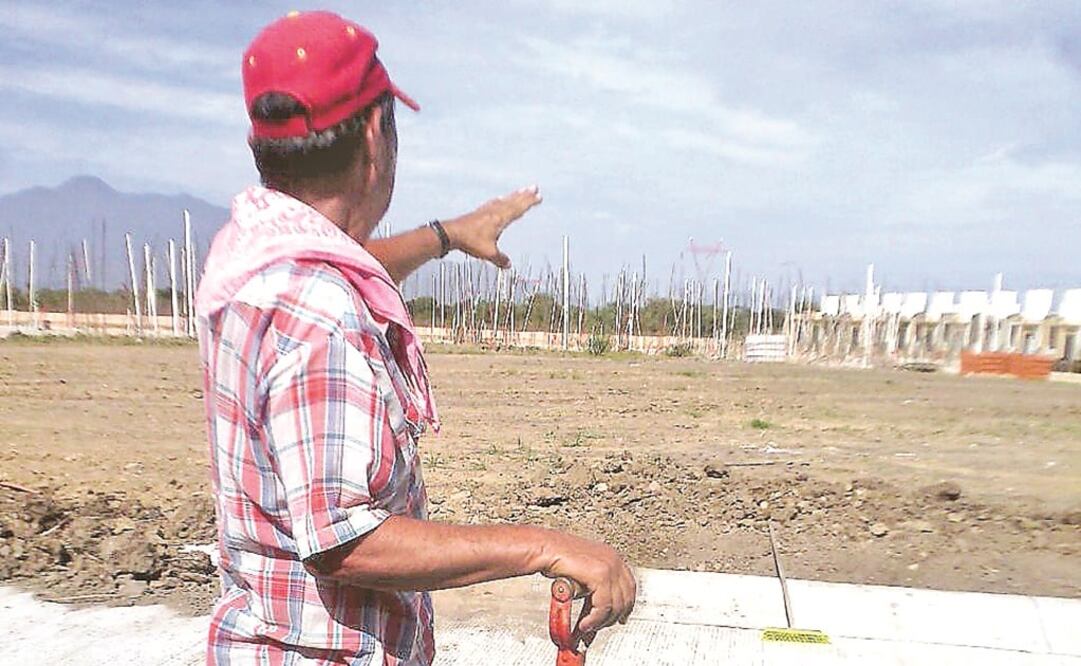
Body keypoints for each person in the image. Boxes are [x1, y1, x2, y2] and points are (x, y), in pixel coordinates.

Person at [195, 11, 636, 665]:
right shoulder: (318, 309)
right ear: (377, 135)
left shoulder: (254, 254)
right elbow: (343, 541)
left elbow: (347, 268)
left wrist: (446, 236)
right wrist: (545, 546)